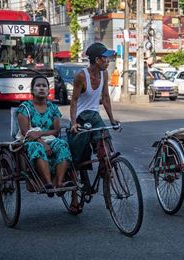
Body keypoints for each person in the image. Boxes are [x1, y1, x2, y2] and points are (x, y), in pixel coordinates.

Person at [17, 76, 80, 211]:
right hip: (30, 141)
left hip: (49, 139)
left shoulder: (52, 107)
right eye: (38, 85)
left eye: (44, 86)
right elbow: (26, 132)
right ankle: (48, 183)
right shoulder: (25, 107)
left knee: (62, 145)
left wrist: (40, 134)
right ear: (32, 90)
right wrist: (41, 141)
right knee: (37, 147)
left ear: (48, 90)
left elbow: (56, 131)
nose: (41, 88)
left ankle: (59, 182)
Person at [69, 42, 119, 173]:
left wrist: (112, 120)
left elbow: (106, 97)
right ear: (97, 60)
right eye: (105, 58)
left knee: (105, 140)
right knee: (78, 154)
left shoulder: (104, 74)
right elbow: (73, 101)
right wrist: (74, 123)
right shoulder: (81, 76)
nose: (108, 61)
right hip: (81, 115)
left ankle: (105, 169)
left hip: (94, 115)